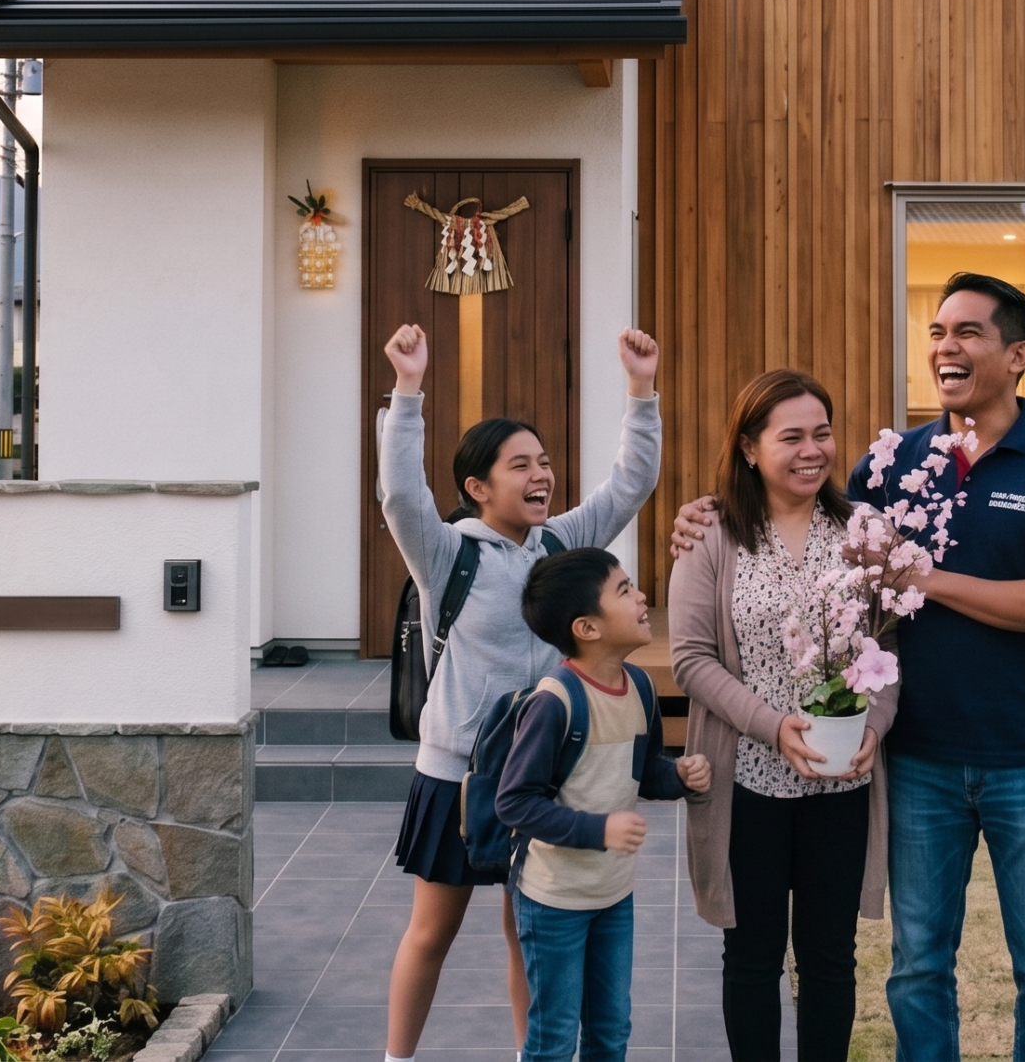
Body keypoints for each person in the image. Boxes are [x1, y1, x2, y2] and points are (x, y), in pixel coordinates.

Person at [669, 273, 1025, 1061]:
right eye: (938, 331)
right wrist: (702, 514)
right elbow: (801, 513)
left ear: (1018, 355)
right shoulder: (891, 466)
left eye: (968, 332)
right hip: (918, 763)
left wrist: (925, 578)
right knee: (915, 970)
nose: (945, 345)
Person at [378, 323, 665, 1062]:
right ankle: (395, 1058)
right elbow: (400, 497)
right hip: (458, 775)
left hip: (538, 778)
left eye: (543, 462)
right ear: (479, 487)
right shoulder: (447, 554)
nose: (541, 475)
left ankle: (527, 1055)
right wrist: (408, 391)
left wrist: (641, 391)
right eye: (519, 466)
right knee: (433, 930)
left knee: (525, 930)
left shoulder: (563, 544)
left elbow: (630, 482)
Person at [668, 369, 896, 1062]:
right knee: (752, 955)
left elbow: (886, 649)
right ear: (748, 448)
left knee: (831, 957)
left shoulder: (863, 531)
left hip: (842, 781)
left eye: (822, 433)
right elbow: (690, 658)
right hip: (750, 783)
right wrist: (772, 725)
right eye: (790, 436)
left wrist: (874, 727)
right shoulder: (713, 532)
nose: (811, 450)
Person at [498, 548, 711, 1062]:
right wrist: (599, 830)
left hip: (613, 894)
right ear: (587, 628)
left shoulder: (639, 685)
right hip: (553, 900)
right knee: (552, 1038)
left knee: (611, 1032)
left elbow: (645, 769)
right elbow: (515, 802)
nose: (641, 598)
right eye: (624, 590)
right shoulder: (555, 701)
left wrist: (678, 776)